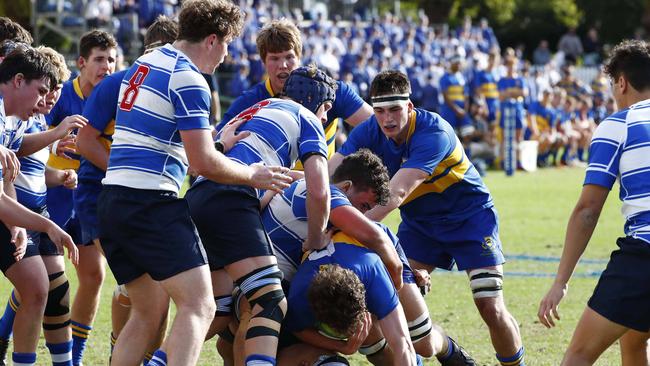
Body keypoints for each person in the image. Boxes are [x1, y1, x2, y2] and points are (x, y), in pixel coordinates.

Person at [98, 1, 291, 365]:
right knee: (200, 305)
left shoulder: (143, 64)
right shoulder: (189, 77)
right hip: (150, 203)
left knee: (147, 311)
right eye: (228, 45)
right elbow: (202, 164)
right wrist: (252, 174)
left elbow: (163, 143)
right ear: (213, 40)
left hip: (114, 202)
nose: (226, 56)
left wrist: (218, 144)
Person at [329, 70, 526, 366]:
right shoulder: (368, 131)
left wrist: (347, 225)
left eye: (395, 109)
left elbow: (394, 196)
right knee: (399, 308)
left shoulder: (434, 132)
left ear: (409, 107)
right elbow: (330, 174)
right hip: (420, 226)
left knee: (490, 305)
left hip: (469, 218)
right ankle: (447, 349)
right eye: (380, 111)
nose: (387, 119)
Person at [185, 65, 334, 365]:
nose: (326, 117)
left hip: (198, 196)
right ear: (319, 102)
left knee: (216, 307)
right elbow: (320, 191)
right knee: (270, 301)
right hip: (231, 199)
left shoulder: (257, 108)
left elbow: (204, 162)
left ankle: (160, 358)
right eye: (327, 109)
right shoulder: (308, 119)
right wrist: (315, 240)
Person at [538, 39, 650, 366]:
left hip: (644, 254)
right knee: (634, 339)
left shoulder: (618, 124)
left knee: (579, 355)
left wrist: (560, 283)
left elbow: (588, 210)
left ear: (621, 82)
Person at [74, 15, 178, 364]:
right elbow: (85, 142)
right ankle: (119, 355)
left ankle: (135, 356)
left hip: (152, 200)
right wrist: (128, 172)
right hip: (102, 197)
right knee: (141, 288)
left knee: (156, 291)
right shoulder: (117, 84)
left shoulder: (182, 86)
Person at [0, 44, 87, 366]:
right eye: (43, 90)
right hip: (23, 210)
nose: (44, 102)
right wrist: (42, 225)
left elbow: (9, 172)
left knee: (43, 288)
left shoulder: (16, 120)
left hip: (24, 211)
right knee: (37, 287)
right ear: (18, 79)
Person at [44, 29, 117, 365]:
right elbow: (25, 132)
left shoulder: (115, 95)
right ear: (82, 63)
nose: (106, 66)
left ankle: (76, 355)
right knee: (42, 279)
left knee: (94, 275)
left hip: (90, 197)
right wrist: (53, 143)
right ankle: (4, 333)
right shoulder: (61, 96)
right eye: (99, 59)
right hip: (52, 195)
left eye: (112, 59)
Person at [220, 19, 372, 169]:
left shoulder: (333, 91)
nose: (283, 65)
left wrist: (340, 162)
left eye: (289, 57)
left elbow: (378, 126)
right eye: (274, 58)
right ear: (263, 62)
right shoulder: (252, 100)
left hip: (321, 184)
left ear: (300, 57)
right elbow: (214, 140)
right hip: (270, 187)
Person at [282, 229, 418, 365]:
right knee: (376, 347)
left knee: (424, 343)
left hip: (385, 250)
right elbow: (298, 329)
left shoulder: (374, 272)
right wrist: (342, 347)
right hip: (348, 257)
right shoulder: (299, 294)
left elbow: (403, 343)